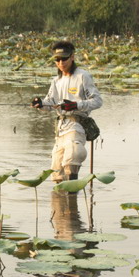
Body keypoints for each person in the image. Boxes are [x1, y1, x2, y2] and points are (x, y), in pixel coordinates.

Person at [31, 40, 102, 183]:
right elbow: (51, 104)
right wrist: (40, 104)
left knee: (73, 156)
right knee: (57, 174)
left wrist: (76, 105)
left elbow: (97, 101)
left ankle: (72, 198)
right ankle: (61, 203)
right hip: (60, 129)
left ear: (72, 57)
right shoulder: (56, 81)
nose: (61, 62)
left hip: (77, 125)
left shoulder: (83, 76)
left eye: (64, 58)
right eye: (57, 59)